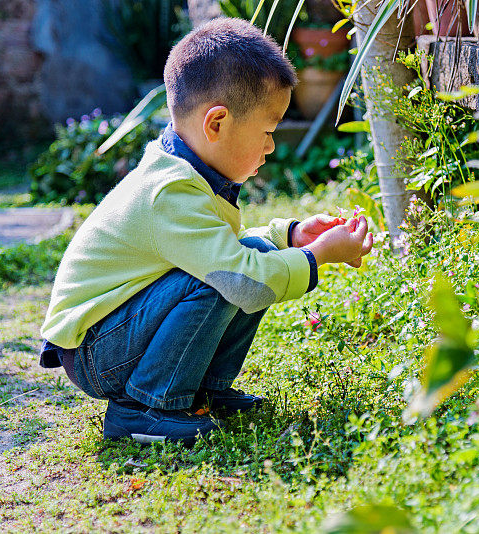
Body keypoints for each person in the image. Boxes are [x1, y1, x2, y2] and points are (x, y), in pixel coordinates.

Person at [38, 18, 373, 447]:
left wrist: (290, 236)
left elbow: (229, 250)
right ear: (216, 124)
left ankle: (202, 390)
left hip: (113, 334)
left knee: (243, 258)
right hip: (95, 350)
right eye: (267, 132)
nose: (271, 147)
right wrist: (319, 256)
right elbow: (239, 276)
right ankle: (146, 407)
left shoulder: (185, 170)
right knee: (229, 279)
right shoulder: (169, 191)